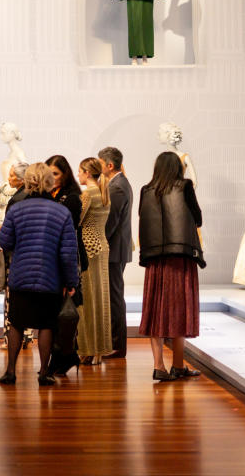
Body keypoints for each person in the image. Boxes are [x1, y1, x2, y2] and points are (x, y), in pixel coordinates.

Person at [0, 163, 79, 386]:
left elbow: (4, 241)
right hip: (49, 277)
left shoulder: (16, 209)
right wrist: (71, 281)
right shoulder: (61, 212)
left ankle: (10, 371)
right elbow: (68, 253)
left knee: (16, 322)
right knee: (46, 325)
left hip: (21, 274)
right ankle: (44, 372)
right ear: (49, 182)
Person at [138, 152, 204, 381]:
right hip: (180, 257)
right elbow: (198, 218)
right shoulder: (185, 186)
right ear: (178, 168)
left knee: (156, 310)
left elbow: (143, 219)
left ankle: (159, 366)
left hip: (155, 259)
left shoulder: (146, 190)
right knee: (179, 309)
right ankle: (177, 365)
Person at [44, 154, 83, 376]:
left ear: (65, 174)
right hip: (53, 257)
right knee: (56, 312)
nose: (52, 178)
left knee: (64, 311)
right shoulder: (51, 194)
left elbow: (70, 233)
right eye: (49, 174)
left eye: (56, 174)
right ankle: (65, 356)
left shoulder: (72, 197)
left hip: (68, 257)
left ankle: (63, 357)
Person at [98, 146, 133, 359]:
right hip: (115, 249)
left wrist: (97, 240)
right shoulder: (117, 184)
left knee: (115, 297)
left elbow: (111, 221)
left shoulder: (118, 187)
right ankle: (113, 342)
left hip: (114, 250)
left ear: (109, 165)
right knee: (113, 296)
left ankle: (118, 345)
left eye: (100, 164)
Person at [76, 158, 112, 365]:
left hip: (88, 249)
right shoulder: (103, 192)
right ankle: (98, 350)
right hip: (102, 247)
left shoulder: (87, 194)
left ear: (87, 173)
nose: (78, 175)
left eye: (80, 171)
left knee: (88, 300)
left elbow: (76, 221)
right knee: (101, 299)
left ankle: (89, 348)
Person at [0, 162, 32, 350]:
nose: (9, 178)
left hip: (16, 255)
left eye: (12, 175)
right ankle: (27, 334)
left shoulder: (16, 201)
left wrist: (1, 233)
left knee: (12, 297)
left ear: (21, 180)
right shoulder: (33, 197)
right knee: (27, 295)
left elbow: (8, 233)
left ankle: (11, 337)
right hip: (30, 254)